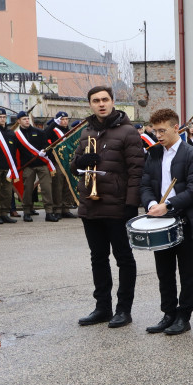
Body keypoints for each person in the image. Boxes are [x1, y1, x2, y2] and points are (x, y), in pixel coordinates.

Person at [71, 86, 146, 328]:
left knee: (124, 258)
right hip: (90, 207)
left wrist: (131, 204)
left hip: (118, 207)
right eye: (96, 100)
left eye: (105, 99)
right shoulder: (86, 132)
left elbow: (137, 171)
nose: (101, 104)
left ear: (113, 102)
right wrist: (80, 162)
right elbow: (74, 166)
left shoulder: (128, 132)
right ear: (90, 104)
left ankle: (124, 309)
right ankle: (102, 308)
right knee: (98, 258)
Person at [139, 108, 193, 336]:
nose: (158, 136)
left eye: (162, 131)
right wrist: (151, 202)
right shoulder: (153, 154)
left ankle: (184, 316)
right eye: (155, 131)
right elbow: (144, 185)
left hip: (186, 220)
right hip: (160, 219)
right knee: (164, 270)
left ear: (175, 128)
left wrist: (169, 205)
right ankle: (168, 313)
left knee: (187, 271)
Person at [13, 111, 59, 222]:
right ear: (18, 121)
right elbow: (14, 152)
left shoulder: (39, 132)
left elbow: (47, 145)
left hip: (42, 165)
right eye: (24, 119)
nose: (27, 120)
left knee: (46, 189)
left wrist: (45, 151)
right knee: (28, 189)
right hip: (28, 166)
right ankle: (27, 212)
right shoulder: (17, 136)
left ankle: (49, 212)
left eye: (27, 118)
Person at [0, 108, 19, 224]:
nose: (3, 119)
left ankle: (4, 213)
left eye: (4, 117)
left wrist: (14, 167)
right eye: (0, 117)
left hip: (8, 168)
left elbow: (14, 151)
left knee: (7, 192)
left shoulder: (10, 133)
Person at [46, 112, 77, 219]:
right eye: (62, 119)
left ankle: (66, 208)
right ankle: (57, 209)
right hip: (57, 162)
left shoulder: (69, 131)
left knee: (68, 185)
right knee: (57, 186)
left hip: (68, 162)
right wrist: (53, 124)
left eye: (66, 119)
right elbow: (45, 135)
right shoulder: (53, 130)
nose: (65, 121)